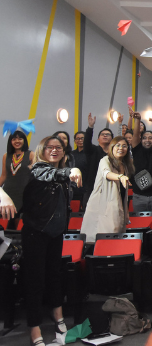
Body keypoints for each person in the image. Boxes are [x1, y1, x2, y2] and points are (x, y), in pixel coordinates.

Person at [21, 136, 82, 346]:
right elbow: (49, 174)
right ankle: (34, 326)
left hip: (56, 233)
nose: (55, 151)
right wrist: (70, 171)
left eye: (59, 148)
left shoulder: (61, 174)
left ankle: (58, 315)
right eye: (50, 147)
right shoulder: (38, 169)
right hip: (35, 232)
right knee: (35, 281)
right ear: (43, 150)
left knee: (55, 276)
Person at [81, 136, 134, 243]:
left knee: (116, 234)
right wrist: (120, 177)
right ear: (112, 147)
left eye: (124, 146)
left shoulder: (126, 165)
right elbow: (106, 173)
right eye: (118, 145)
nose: (121, 148)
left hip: (118, 203)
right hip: (102, 203)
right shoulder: (105, 160)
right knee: (102, 235)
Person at [128, 109, 152, 224]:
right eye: (144, 138)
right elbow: (135, 135)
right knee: (139, 223)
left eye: (150, 138)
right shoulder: (137, 150)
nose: (147, 140)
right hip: (139, 196)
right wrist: (137, 119)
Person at [0, 130, 35, 227]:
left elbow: (35, 174)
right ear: (10, 141)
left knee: (20, 223)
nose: (17, 141)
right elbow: (4, 175)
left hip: (24, 193)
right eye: (14, 139)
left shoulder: (31, 154)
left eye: (20, 139)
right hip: (8, 193)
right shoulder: (6, 156)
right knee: (6, 224)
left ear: (24, 141)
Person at [83, 113, 113, 206]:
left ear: (112, 139)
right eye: (102, 134)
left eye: (107, 134)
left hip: (110, 187)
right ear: (98, 139)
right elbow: (86, 143)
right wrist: (90, 127)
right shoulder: (93, 150)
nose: (105, 136)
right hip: (93, 187)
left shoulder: (114, 153)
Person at [71, 131, 89, 206]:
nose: (80, 140)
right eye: (77, 139)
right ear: (75, 141)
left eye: (82, 138)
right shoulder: (71, 154)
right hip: (73, 185)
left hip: (86, 185)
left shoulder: (90, 154)